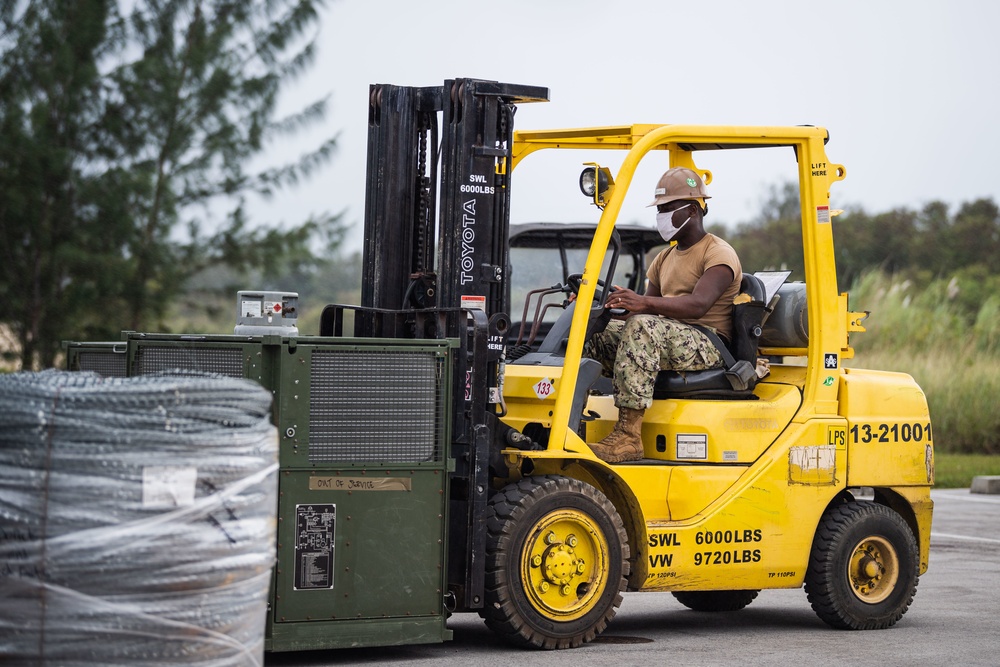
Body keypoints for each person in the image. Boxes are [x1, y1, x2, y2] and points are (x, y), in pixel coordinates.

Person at [584, 167, 742, 463]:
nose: (661, 217)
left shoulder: (718, 253)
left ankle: (629, 436)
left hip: (707, 342)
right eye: (659, 210)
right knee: (595, 329)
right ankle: (575, 420)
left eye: (668, 209)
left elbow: (698, 305)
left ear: (693, 210)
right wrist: (612, 305)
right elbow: (646, 306)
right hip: (667, 335)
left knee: (642, 325)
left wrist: (641, 304)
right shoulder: (664, 257)